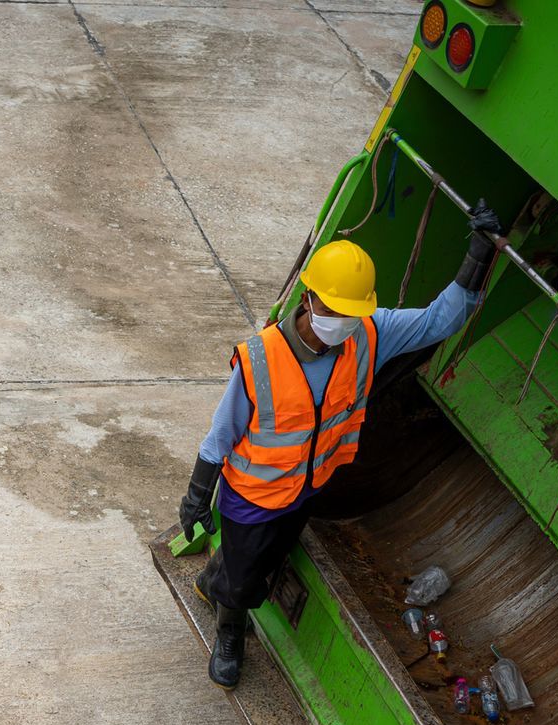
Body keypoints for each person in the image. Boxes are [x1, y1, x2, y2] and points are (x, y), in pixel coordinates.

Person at [177, 200, 502, 689]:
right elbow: (220, 435)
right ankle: (230, 632)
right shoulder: (261, 360)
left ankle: (215, 583)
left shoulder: (369, 335)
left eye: (354, 312)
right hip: (254, 496)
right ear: (309, 298)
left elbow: (439, 321)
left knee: (265, 561)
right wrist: (196, 495)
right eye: (336, 310)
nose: (344, 322)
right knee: (244, 581)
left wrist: (478, 257)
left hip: (310, 488)